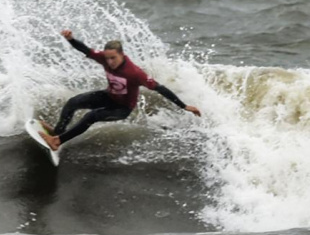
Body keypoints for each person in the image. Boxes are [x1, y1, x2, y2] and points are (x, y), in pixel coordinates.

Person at [37, 30, 201, 151]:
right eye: (107, 58)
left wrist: (183, 106)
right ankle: (57, 132)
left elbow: (160, 88)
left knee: (91, 116)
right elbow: (86, 50)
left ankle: (58, 140)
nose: (109, 61)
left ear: (122, 55)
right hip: (109, 96)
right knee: (73, 102)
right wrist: (71, 39)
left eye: (113, 58)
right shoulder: (105, 58)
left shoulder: (135, 73)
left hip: (122, 109)